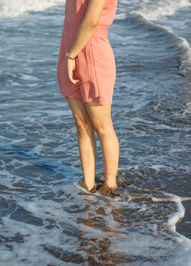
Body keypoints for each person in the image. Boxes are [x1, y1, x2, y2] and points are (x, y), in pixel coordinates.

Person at [57, 0, 120, 196]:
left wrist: (71, 56)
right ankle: (88, 183)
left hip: (91, 52)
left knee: (102, 126)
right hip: (69, 49)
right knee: (81, 124)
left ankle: (110, 185)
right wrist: (69, 55)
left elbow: (92, 21)